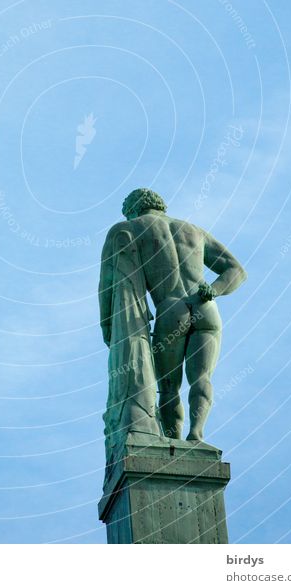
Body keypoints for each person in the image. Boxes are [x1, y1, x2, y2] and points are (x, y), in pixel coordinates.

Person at [99, 188, 247, 442]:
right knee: (202, 377)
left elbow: (109, 284)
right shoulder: (193, 231)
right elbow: (236, 270)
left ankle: (173, 441)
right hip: (206, 307)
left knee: (169, 388)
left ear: (133, 209)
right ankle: (197, 433)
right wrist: (213, 289)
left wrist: (108, 327)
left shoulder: (132, 229)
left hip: (171, 309)